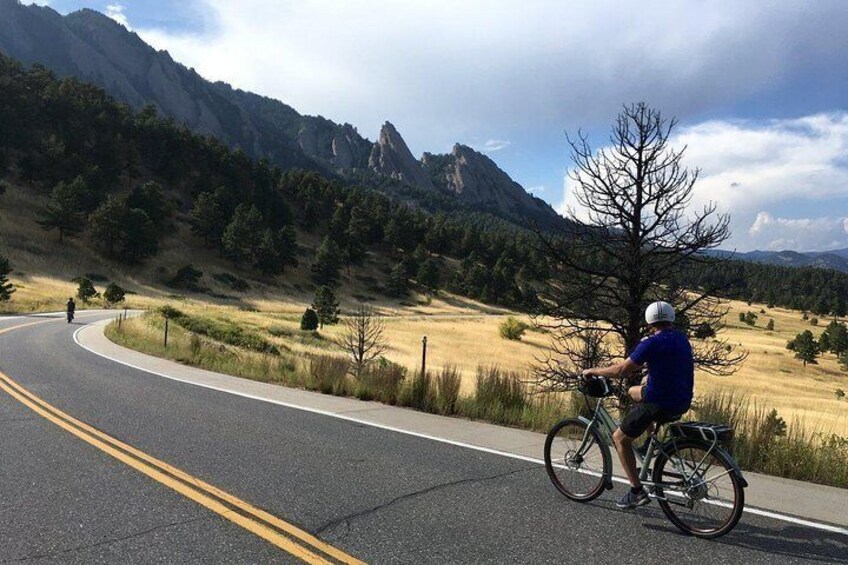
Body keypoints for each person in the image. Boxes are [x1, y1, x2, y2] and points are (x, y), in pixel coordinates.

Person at [581, 301, 694, 509]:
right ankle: (649, 440)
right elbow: (669, 366)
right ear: (671, 319)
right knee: (634, 391)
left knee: (619, 438)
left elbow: (621, 370)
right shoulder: (681, 338)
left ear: (649, 321)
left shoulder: (650, 343)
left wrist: (594, 371)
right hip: (681, 400)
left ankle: (636, 491)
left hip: (659, 402)